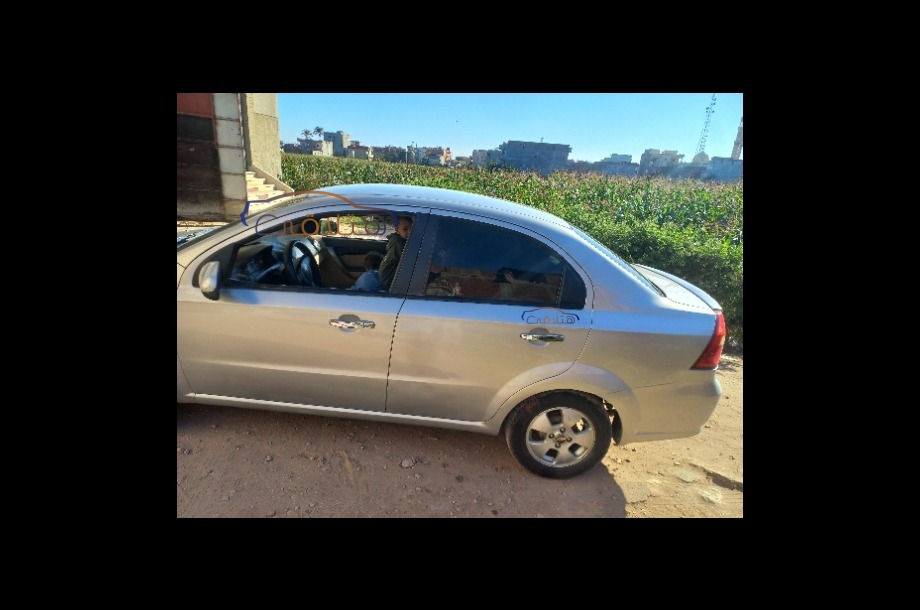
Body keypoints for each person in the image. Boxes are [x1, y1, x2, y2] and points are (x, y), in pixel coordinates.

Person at [378, 216, 413, 290]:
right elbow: (412, 262)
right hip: (388, 278)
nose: (409, 232)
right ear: (397, 230)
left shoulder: (400, 240)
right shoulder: (398, 243)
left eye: (412, 228)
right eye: (405, 229)